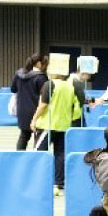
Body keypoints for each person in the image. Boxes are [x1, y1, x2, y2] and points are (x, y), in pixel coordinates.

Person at [31, 65, 78, 194]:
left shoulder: (49, 84)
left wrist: (34, 119)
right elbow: (75, 107)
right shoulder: (70, 87)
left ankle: (37, 181)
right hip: (64, 126)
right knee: (60, 155)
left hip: (47, 125)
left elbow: (43, 105)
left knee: (39, 153)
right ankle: (59, 184)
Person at [11, 53, 49, 150]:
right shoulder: (41, 77)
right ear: (39, 63)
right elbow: (46, 96)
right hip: (37, 111)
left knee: (24, 136)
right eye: (45, 63)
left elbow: (13, 89)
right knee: (38, 139)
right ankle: (36, 161)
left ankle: (18, 158)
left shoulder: (18, 74)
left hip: (22, 110)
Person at [68, 59, 94, 128]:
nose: (89, 77)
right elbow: (82, 99)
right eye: (89, 74)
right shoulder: (76, 82)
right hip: (75, 115)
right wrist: (93, 101)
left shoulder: (71, 79)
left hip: (72, 114)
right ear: (83, 72)